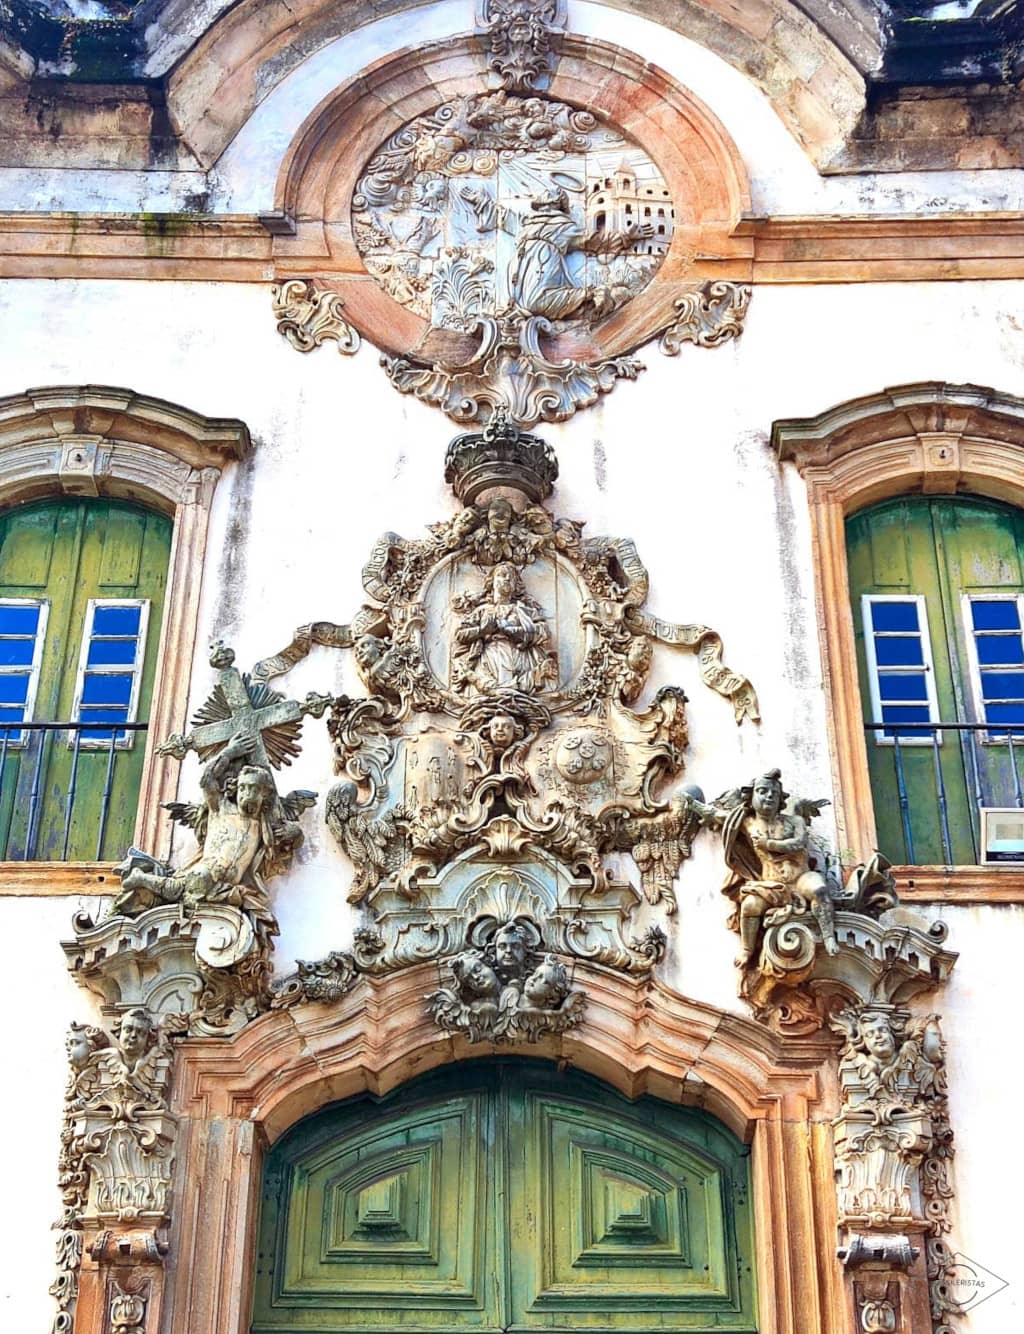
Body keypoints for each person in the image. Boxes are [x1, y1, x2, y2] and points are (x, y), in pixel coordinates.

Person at [714, 768, 839, 968]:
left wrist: (769, 844)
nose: (769, 796)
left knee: (820, 890)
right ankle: (747, 949)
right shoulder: (747, 824)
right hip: (770, 885)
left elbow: (798, 843)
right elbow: (718, 816)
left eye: (774, 793)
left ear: (781, 799)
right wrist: (692, 805)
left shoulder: (795, 820)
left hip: (800, 878)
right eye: (762, 791)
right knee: (749, 906)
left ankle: (828, 935)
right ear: (752, 796)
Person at [453, 562, 556, 694]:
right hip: (490, 657)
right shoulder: (483, 611)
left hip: (520, 657)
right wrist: (482, 631)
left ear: (515, 585)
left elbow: (543, 632)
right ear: (492, 583)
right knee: (497, 694)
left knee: (515, 696)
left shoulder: (524, 611)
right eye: (502, 575)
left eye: (511, 577)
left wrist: (516, 631)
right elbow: (460, 634)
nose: (507, 579)